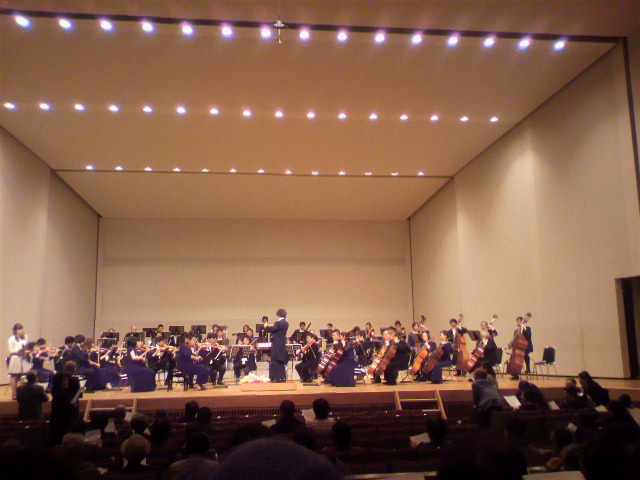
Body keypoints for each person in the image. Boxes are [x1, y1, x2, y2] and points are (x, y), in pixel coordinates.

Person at [264, 308, 289, 382]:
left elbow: (272, 329)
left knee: (275, 360)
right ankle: (282, 377)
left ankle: (275, 377)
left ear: (278, 315)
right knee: (281, 361)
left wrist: (266, 326)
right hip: (282, 343)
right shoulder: (286, 323)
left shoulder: (278, 323)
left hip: (276, 344)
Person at [7, 323, 31, 399]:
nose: (21, 331)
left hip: (23, 358)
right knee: (14, 376)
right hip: (15, 358)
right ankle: (14, 394)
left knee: (22, 375)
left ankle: (20, 393)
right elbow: (11, 350)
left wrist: (28, 349)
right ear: (15, 331)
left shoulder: (25, 337)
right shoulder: (12, 338)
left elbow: (27, 347)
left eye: (21, 329)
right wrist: (19, 350)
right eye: (19, 329)